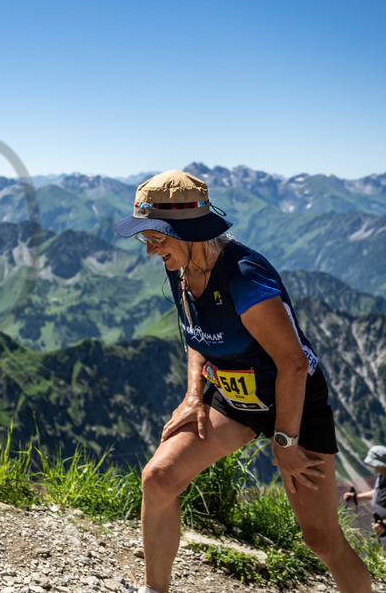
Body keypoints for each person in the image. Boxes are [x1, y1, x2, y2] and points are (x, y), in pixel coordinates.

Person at [112, 170, 371, 593]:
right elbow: (196, 334)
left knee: (321, 539)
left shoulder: (244, 276)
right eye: (146, 238)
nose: (150, 250)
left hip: (293, 401)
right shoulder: (182, 268)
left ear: (188, 231)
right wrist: (194, 395)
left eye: (157, 238)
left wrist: (285, 443)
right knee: (157, 479)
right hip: (233, 395)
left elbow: (293, 365)